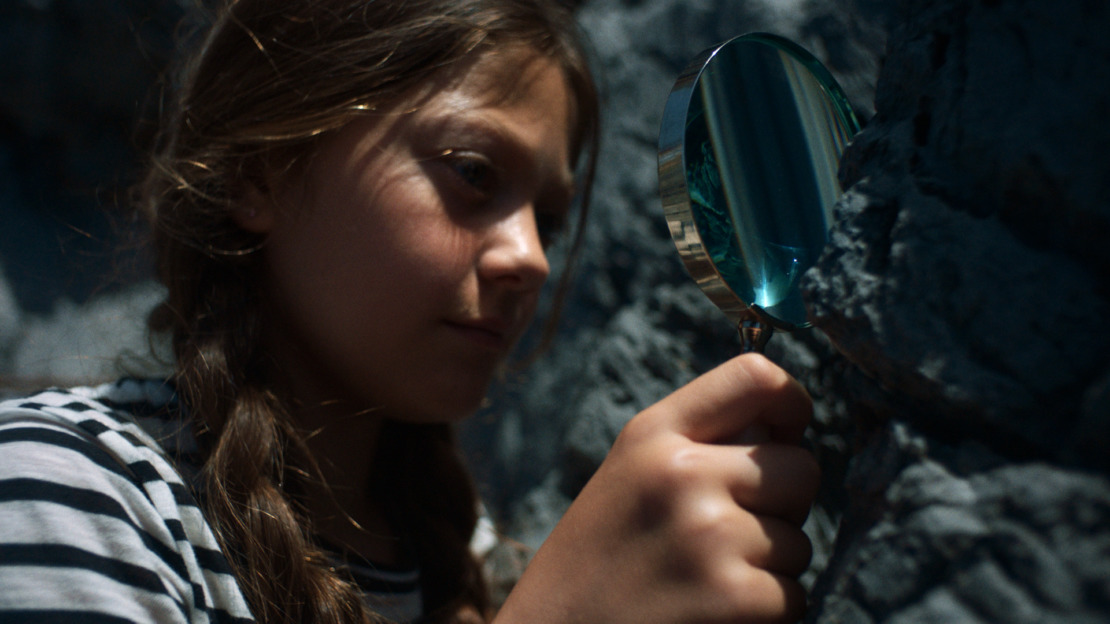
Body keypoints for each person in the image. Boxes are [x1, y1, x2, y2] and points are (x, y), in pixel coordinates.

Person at [0, 0, 820, 622]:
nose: (530, 258)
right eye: (471, 174)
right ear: (261, 171)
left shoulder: (463, 556)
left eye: (552, 220)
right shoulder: (66, 493)